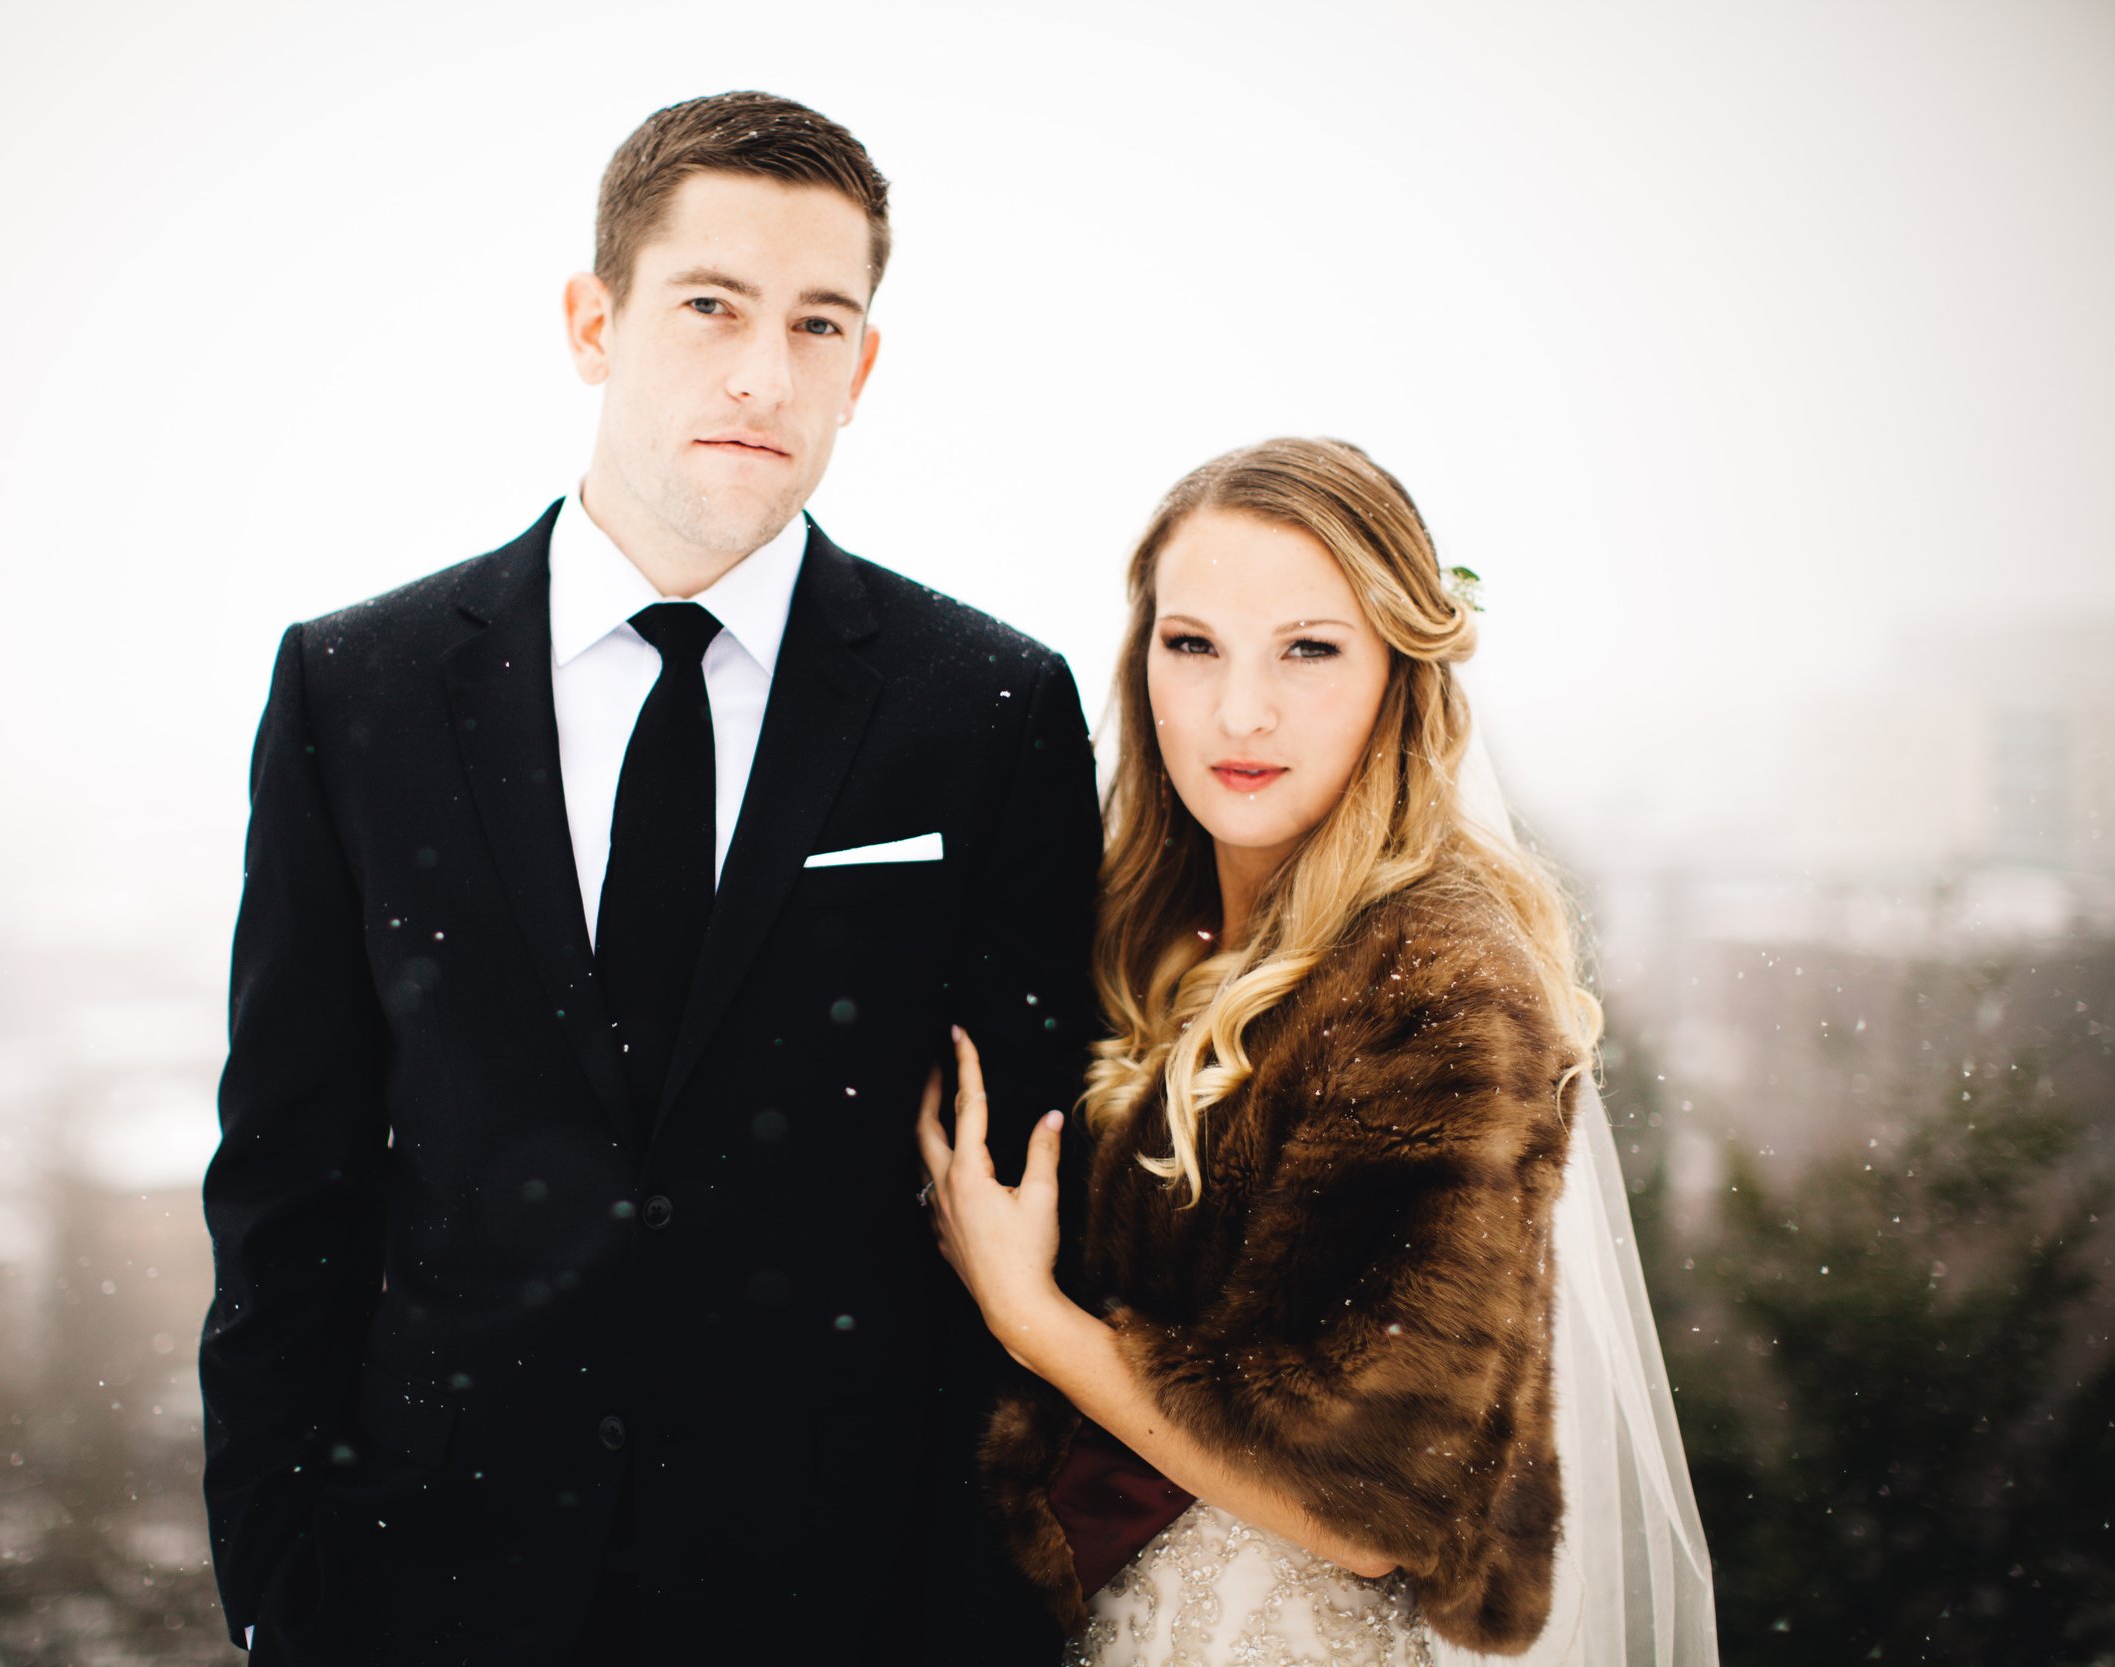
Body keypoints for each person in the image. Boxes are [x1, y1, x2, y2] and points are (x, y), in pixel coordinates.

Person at [198, 91, 1096, 1664]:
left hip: (853, 1592)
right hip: (433, 1586)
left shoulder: (990, 710)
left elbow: (1028, 1174)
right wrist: (284, 1587)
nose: (767, 372)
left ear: (865, 365)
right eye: (712, 306)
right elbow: (289, 1182)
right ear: (591, 321)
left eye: (823, 323)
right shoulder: (360, 690)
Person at [919, 438, 1717, 1664]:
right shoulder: (1139, 928)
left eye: (1309, 647)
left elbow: (1366, 1510)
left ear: (1399, 674)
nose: (1241, 710)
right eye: (1192, 646)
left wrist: (1029, 1312)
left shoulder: (1437, 980)